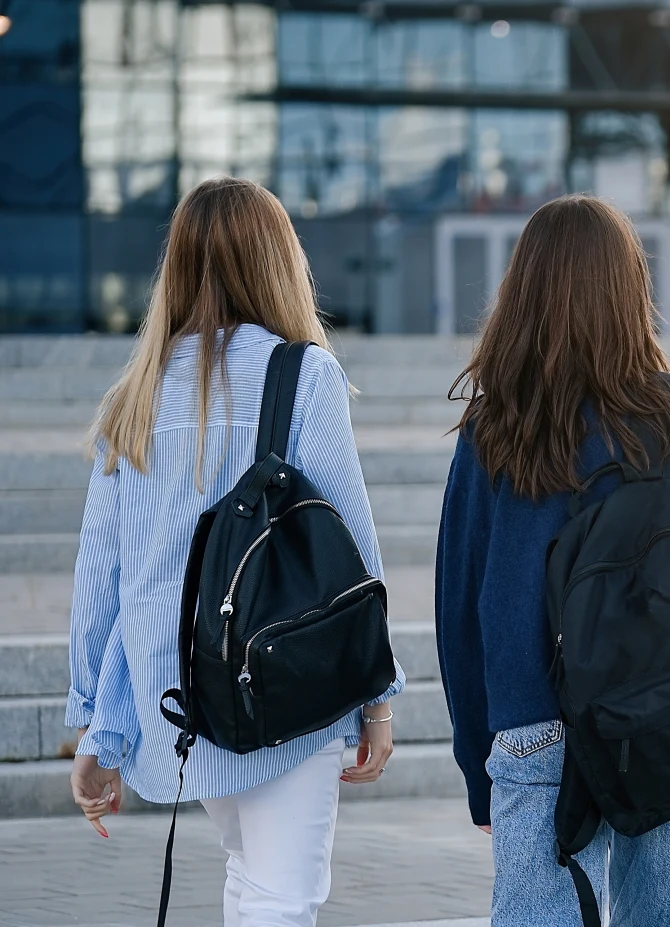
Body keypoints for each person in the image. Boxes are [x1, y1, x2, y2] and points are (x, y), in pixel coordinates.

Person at [66, 177, 403, 927]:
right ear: (277, 262)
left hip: (181, 697)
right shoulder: (305, 375)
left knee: (252, 879)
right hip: (290, 682)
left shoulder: (136, 397)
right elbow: (351, 542)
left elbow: (101, 576)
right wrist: (376, 696)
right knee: (282, 897)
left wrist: (99, 722)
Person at [436, 194, 670, 926]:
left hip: (533, 722)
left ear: (520, 291)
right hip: (661, 706)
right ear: (629, 291)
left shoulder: (494, 427)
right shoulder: (667, 417)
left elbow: (461, 608)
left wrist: (478, 765)